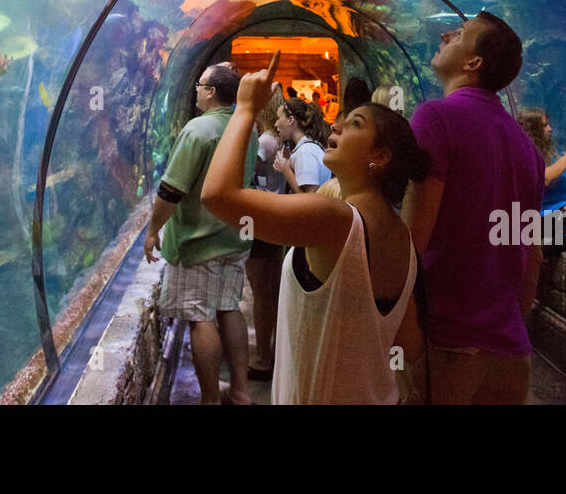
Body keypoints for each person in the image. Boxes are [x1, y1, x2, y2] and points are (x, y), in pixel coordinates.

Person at [202, 51, 429, 404]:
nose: (335, 125)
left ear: (380, 157)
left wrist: (246, 108)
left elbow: (218, 195)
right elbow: (409, 343)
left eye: (355, 124)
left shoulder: (336, 220)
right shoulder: (404, 239)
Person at [402, 12, 546, 404]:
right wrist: (506, 327)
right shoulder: (527, 147)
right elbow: (532, 254)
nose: (446, 34)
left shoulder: (435, 117)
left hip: (446, 340)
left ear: (474, 63)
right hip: (509, 350)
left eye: (460, 33)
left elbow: (413, 238)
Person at [145, 62, 259, 405]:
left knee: (200, 317)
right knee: (229, 308)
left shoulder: (199, 130)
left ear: (211, 91)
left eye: (199, 85)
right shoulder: (246, 128)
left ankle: (209, 398)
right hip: (234, 237)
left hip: (199, 242)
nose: (195, 89)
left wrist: (153, 230)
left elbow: (172, 189)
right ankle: (240, 391)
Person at [245, 85, 287, 380]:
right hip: (275, 218)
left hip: (261, 219)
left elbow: (247, 171)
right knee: (270, 292)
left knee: (262, 293)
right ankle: (270, 352)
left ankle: (261, 358)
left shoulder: (265, 141)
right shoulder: (278, 139)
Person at [517, 109, 566, 255]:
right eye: (545, 125)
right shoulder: (525, 154)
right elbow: (544, 178)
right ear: (533, 130)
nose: (550, 128)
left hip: (561, 214)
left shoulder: (552, 155)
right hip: (541, 218)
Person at [273, 97, 332, 192]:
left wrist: (286, 170)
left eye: (278, 118)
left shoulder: (305, 151)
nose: (275, 124)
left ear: (290, 120)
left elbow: (310, 198)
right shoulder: (307, 146)